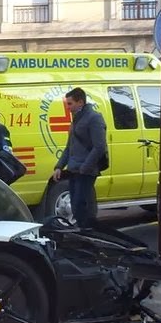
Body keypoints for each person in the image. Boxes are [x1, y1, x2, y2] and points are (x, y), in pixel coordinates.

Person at [52, 87, 108, 228]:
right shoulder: (76, 120)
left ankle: (88, 233)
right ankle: (84, 232)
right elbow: (69, 147)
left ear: (80, 102)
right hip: (74, 170)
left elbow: (99, 146)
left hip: (85, 171)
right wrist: (59, 167)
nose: (67, 107)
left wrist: (85, 167)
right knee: (77, 207)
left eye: (70, 103)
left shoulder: (94, 118)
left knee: (81, 205)